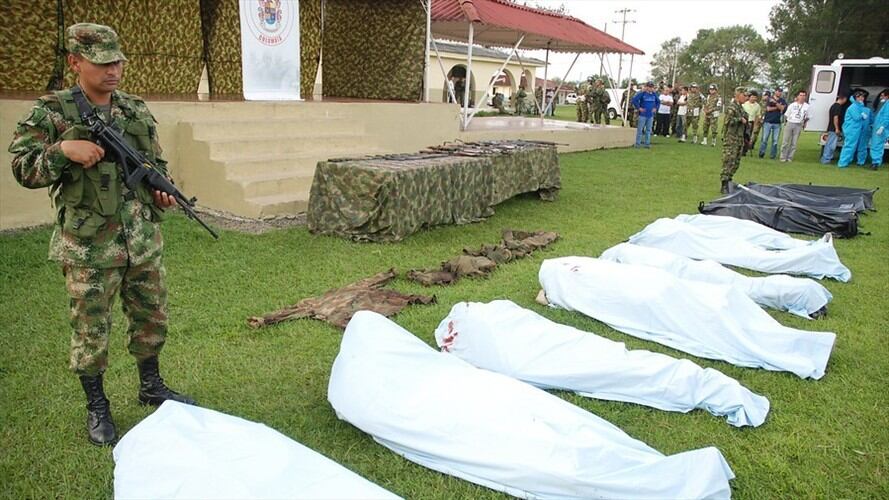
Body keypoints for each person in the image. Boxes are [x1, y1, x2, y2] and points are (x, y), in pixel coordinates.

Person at [8, 24, 196, 446]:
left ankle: (152, 386)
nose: (113, 70)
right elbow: (22, 168)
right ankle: (98, 406)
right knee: (91, 330)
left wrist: (162, 190)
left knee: (151, 319)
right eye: (103, 62)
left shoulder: (134, 109)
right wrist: (62, 151)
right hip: (89, 246)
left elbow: (154, 163)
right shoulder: (51, 112)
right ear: (75, 62)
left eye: (118, 62)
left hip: (142, 241)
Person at [720, 87, 750, 193]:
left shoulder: (741, 108)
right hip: (731, 138)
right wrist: (739, 119)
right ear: (739, 95)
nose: (746, 98)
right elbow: (728, 122)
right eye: (744, 95)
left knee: (736, 162)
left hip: (739, 138)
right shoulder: (732, 107)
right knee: (729, 161)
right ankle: (724, 183)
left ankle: (729, 180)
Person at [838, 90, 873, 168]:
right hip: (852, 130)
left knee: (857, 146)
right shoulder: (853, 107)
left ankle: (853, 162)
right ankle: (843, 163)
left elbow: (870, 120)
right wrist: (862, 115)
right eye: (859, 97)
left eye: (862, 97)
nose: (861, 98)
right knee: (849, 146)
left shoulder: (860, 107)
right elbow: (857, 117)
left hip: (858, 130)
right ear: (855, 98)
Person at [779, 90, 810, 162]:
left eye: (803, 95)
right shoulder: (792, 105)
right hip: (790, 123)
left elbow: (808, 116)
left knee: (794, 143)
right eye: (801, 95)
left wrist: (804, 123)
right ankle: (783, 157)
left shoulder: (807, 106)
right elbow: (786, 115)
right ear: (798, 96)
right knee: (785, 141)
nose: (802, 97)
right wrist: (786, 123)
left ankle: (789, 157)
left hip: (798, 124)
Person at [759, 87, 787, 159]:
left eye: (780, 91)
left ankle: (772, 155)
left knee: (775, 141)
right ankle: (761, 153)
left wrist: (775, 103)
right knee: (764, 139)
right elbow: (768, 109)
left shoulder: (783, 100)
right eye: (778, 91)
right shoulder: (769, 99)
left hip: (777, 123)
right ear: (775, 91)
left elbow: (783, 109)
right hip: (767, 122)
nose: (779, 93)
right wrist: (778, 107)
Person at [820, 93, 848, 164]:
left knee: (830, 143)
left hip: (831, 127)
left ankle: (826, 158)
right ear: (843, 99)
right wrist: (837, 128)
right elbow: (835, 117)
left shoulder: (833, 106)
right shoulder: (837, 107)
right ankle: (826, 159)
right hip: (833, 128)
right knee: (831, 144)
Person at [631, 81, 659, 148]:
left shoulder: (654, 94)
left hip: (650, 115)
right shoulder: (642, 94)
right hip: (642, 115)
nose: (651, 88)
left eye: (652, 87)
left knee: (648, 130)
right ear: (646, 87)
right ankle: (638, 143)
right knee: (640, 130)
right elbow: (634, 100)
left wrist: (655, 108)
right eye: (649, 87)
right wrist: (639, 108)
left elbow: (658, 102)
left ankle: (647, 143)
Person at [869, 89, 889, 169]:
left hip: (880, 128)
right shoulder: (885, 104)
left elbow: (887, 117)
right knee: (879, 146)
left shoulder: (887, 104)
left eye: (883, 95)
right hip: (880, 127)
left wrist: (882, 126)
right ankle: (877, 162)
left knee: (876, 145)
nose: (881, 97)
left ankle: (875, 163)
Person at [742, 91, 762, 156]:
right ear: (749, 97)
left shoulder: (758, 106)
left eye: (755, 97)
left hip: (751, 122)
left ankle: (744, 151)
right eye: (752, 97)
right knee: (742, 136)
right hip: (744, 122)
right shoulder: (744, 104)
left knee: (748, 137)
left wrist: (755, 125)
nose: (753, 98)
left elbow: (757, 116)